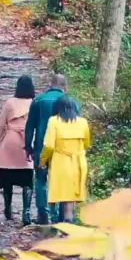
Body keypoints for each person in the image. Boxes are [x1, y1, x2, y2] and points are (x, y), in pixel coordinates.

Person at [40, 94, 91, 224]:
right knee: (71, 195)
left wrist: (43, 160)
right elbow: (87, 144)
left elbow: (49, 145)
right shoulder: (83, 122)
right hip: (79, 162)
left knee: (62, 193)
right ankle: (69, 219)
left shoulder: (54, 121)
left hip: (61, 162)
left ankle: (64, 222)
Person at [24, 74, 67, 225]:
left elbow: (30, 126)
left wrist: (28, 146)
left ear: (50, 84)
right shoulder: (70, 103)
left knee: (41, 179)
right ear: (65, 87)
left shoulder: (38, 101)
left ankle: (43, 214)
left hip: (41, 147)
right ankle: (61, 215)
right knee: (61, 181)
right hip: (63, 150)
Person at [0, 76, 37, 225]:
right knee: (27, 177)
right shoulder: (34, 103)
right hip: (27, 140)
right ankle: (26, 211)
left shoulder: (10, 102)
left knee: (7, 175)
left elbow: (0, 125)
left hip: (10, 140)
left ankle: (8, 208)